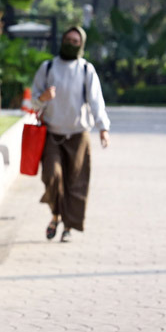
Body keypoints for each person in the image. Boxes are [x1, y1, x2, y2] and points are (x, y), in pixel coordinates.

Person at [31, 26, 111, 242]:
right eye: (68, 39)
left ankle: (67, 226)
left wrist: (103, 127)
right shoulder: (47, 68)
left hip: (78, 135)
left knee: (75, 182)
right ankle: (55, 215)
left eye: (76, 41)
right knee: (52, 176)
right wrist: (44, 97)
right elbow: (33, 99)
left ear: (81, 45)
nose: (71, 44)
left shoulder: (86, 70)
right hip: (52, 134)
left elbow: (96, 101)